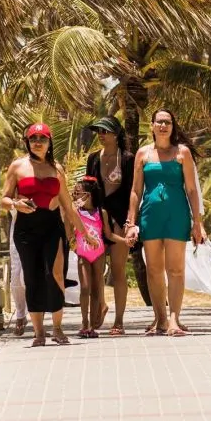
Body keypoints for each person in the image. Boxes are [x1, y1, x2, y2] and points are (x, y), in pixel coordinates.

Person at [1, 122, 100, 347]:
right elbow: (3, 200)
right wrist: (16, 203)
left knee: (55, 275)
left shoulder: (57, 168)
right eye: (33, 139)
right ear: (27, 142)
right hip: (26, 228)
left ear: (49, 142)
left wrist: (86, 234)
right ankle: (39, 332)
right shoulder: (17, 167)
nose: (37, 143)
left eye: (42, 139)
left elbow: (69, 205)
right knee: (32, 277)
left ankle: (57, 327)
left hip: (51, 226)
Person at [127, 108, 206, 336]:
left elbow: (192, 190)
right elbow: (135, 190)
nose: (163, 126)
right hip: (150, 215)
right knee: (153, 269)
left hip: (177, 214)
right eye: (159, 122)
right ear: (152, 125)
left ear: (173, 126)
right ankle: (159, 318)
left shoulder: (182, 153)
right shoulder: (142, 154)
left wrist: (197, 222)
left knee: (176, 269)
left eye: (167, 122)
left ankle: (174, 319)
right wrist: (131, 222)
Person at [86, 115, 142, 335]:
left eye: (105, 131)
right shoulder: (93, 159)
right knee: (96, 271)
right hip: (97, 219)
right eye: (98, 131)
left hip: (120, 218)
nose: (101, 135)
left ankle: (119, 321)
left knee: (118, 270)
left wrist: (130, 222)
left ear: (116, 134)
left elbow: (134, 192)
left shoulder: (128, 159)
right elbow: (88, 190)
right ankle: (100, 306)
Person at [73, 176, 128, 338]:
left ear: (88, 194)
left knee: (97, 288)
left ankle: (91, 326)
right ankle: (84, 323)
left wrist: (124, 240)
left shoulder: (101, 212)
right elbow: (68, 229)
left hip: (99, 254)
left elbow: (109, 235)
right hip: (83, 253)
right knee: (84, 288)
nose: (75, 195)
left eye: (78, 192)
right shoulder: (76, 212)